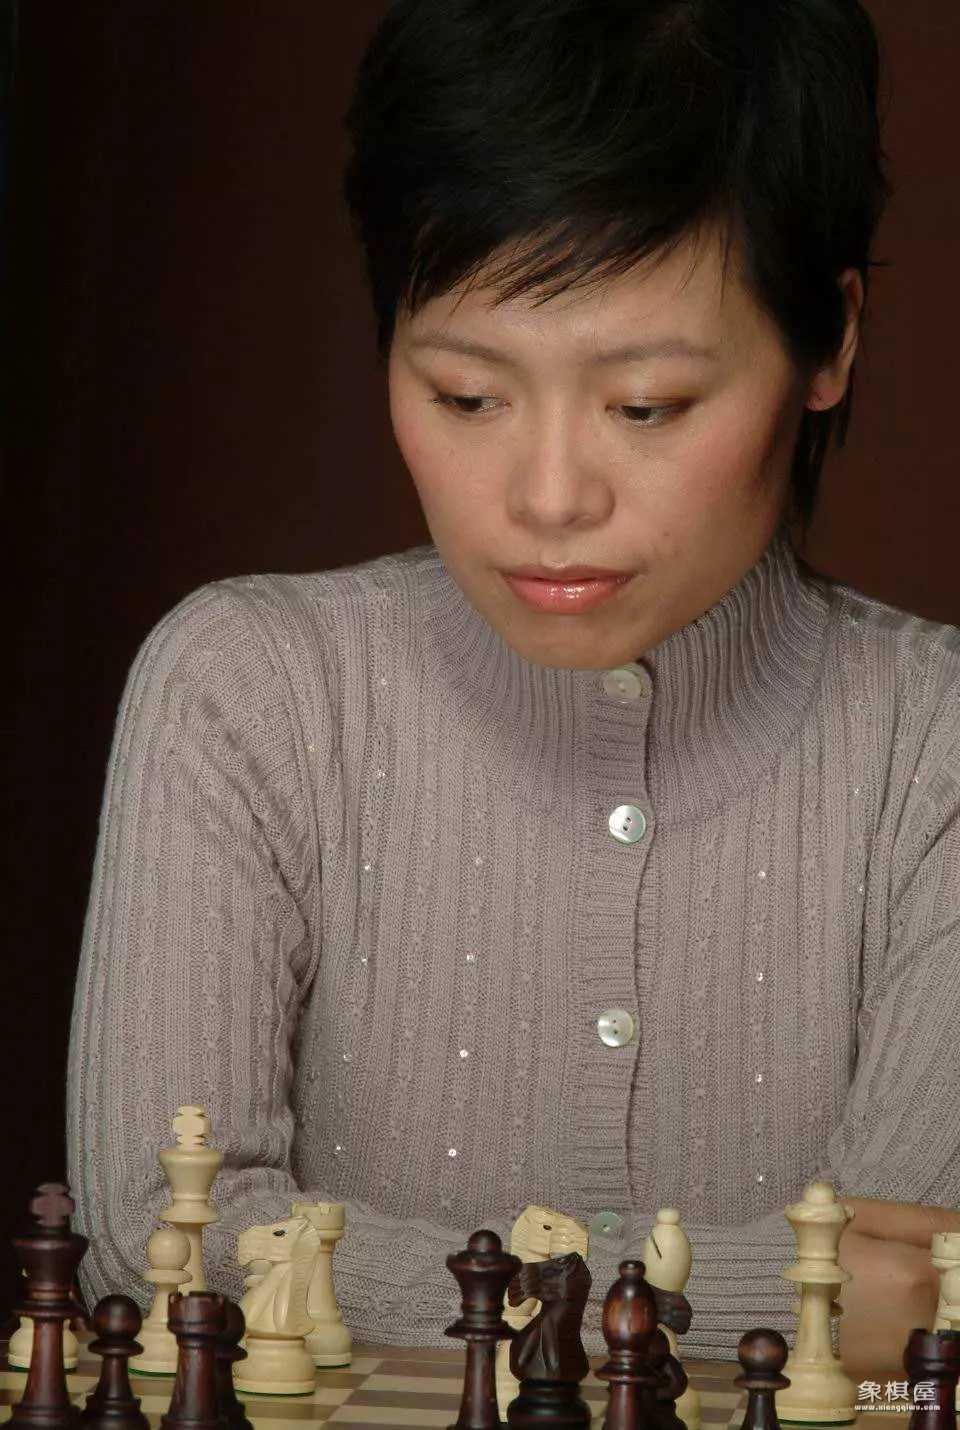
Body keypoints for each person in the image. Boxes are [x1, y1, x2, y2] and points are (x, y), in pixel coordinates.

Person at [67, 0, 960, 1380]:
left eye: (647, 404)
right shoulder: (250, 694)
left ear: (831, 340)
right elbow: (162, 1244)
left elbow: (925, 1297)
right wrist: (758, 1285)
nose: (548, 499)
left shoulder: (933, 747)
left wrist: (367, 1273)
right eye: (468, 395)